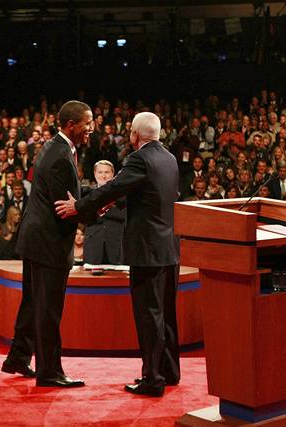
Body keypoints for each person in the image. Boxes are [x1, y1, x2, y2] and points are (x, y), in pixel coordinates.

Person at [55, 112, 180, 397]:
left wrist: (81, 207)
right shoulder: (170, 159)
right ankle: (169, 371)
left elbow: (113, 187)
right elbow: (147, 195)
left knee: (149, 315)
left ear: (136, 134)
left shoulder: (139, 158)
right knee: (167, 313)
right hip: (169, 248)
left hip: (147, 250)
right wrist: (114, 204)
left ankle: (152, 379)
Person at [1, 100, 93, 388]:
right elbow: (67, 206)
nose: (90, 128)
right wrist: (98, 205)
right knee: (48, 309)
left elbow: (72, 195)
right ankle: (50, 371)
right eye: (86, 123)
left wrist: (95, 195)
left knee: (32, 303)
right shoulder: (61, 156)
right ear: (70, 125)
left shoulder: (57, 147)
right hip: (48, 243)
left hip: (37, 240)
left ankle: (17, 358)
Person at [83, 160, 125, 265]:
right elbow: (83, 216)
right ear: (95, 174)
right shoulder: (86, 193)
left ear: (113, 174)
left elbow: (125, 215)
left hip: (116, 244)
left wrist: (100, 209)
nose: (103, 176)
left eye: (106, 172)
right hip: (93, 244)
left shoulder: (122, 194)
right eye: (100, 172)